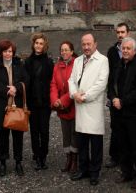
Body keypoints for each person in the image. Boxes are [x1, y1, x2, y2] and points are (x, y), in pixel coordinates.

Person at [69, 33, 109, 186]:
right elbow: (71, 80)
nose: (86, 47)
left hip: (92, 106)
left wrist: (84, 97)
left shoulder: (103, 60)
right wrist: (74, 94)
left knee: (96, 143)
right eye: (84, 44)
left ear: (95, 44)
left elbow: (101, 84)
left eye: (89, 44)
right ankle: (83, 169)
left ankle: (95, 172)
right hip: (80, 104)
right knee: (82, 142)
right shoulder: (78, 60)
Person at [108, 37, 136, 189]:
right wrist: (113, 97)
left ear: (134, 51)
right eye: (123, 48)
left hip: (133, 113)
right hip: (118, 112)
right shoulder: (117, 66)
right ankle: (127, 172)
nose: (125, 51)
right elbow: (110, 85)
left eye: (128, 48)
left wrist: (122, 101)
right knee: (122, 144)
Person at [0, 39, 29, 177]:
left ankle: (18, 162)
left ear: (13, 52)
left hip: (16, 106)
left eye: (10, 51)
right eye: (5, 51)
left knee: (18, 136)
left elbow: (26, 80)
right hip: (2, 107)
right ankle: (3, 162)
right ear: (1, 52)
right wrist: (7, 91)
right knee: (3, 137)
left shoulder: (19, 64)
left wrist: (16, 88)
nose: (8, 54)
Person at [106, 22, 136, 168]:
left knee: (132, 132)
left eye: (123, 32)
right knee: (115, 127)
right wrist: (112, 97)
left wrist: (125, 99)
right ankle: (115, 156)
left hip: (129, 98)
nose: (120, 35)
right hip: (115, 95)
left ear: (128, 33)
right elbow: (110, 75)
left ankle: (132, 161)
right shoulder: (112, 51)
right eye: (118, 32)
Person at [24, 33, 54, 170]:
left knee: (45, 131)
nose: (38, 45)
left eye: (41, 43)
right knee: (34, 132)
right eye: (36, 43)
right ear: (33, 44)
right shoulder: (28, 62)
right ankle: (37, 156)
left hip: (45, 103)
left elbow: (52, 82)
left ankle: (44, 156)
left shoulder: (49, 62)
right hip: (32, 102)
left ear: (44, 45)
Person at [50, 41, 78, 174]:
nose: (64, 52)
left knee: (75, 134)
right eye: (62, 50)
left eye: (67, 50)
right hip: (61, 107)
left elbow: (76, 86)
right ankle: (68, 159)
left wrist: (62, 100)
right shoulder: (57, 66)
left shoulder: (77, 65)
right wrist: (55, 100)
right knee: (65, 134)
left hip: (73, 105)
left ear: (72, 52)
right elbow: (53, 84)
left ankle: (75, 160)